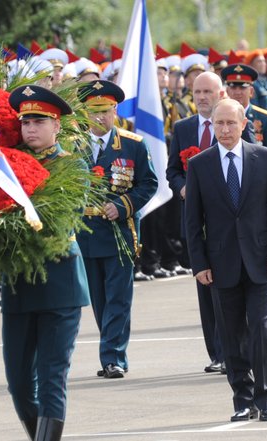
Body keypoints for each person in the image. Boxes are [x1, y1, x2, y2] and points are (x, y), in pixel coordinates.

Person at [185, 99, 267, 422]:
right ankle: (242, 399)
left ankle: (266, 396)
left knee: (259, 329)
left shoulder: (265, 157)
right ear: (211, 125)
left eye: (232, 123)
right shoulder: (200, 165)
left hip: (261, 261)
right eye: (219, 124)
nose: (225, 130)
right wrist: (199, 264)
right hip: (220, 264)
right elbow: (192, 221)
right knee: (231, 335)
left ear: (244, 124)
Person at [4, 85, 89, 441]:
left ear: (57, 126)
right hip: (19, 285)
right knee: (20, 382)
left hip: (59, 285)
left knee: (52, 376)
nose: (30, 128)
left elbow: (66, 217)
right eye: (25, 122)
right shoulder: (7, 165)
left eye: (39, 121)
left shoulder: (72, 165)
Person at [76, 80, 157, 378]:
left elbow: (149, 184)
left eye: (106, 111)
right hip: (85, 233)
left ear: (115, 111)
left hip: (119, 232)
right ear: (84, 113)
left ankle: (113, 357)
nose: (100, 118)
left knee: (119, 298)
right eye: (94, 111)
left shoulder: (133, 144)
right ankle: (110, 349)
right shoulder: (73, 147)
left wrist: (122, 205)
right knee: (99, 298)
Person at [165, 71, 228, 375]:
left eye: (208, 92)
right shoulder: (184, 128)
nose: (202, 97)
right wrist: (182, 187)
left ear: (221, 94)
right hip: (196, 222)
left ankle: (232, 349)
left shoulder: (232, 124)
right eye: (197, 92)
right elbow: (172, 169)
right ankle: (216, 353)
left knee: (227, 288)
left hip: (228, 224)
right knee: (205, 286)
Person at [222, 63, 267, 169]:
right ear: (227, 91)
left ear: (251, 91)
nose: (237, 92)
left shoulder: (266, 118)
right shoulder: (219, 117)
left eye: (242, 87)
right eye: (233, 87)